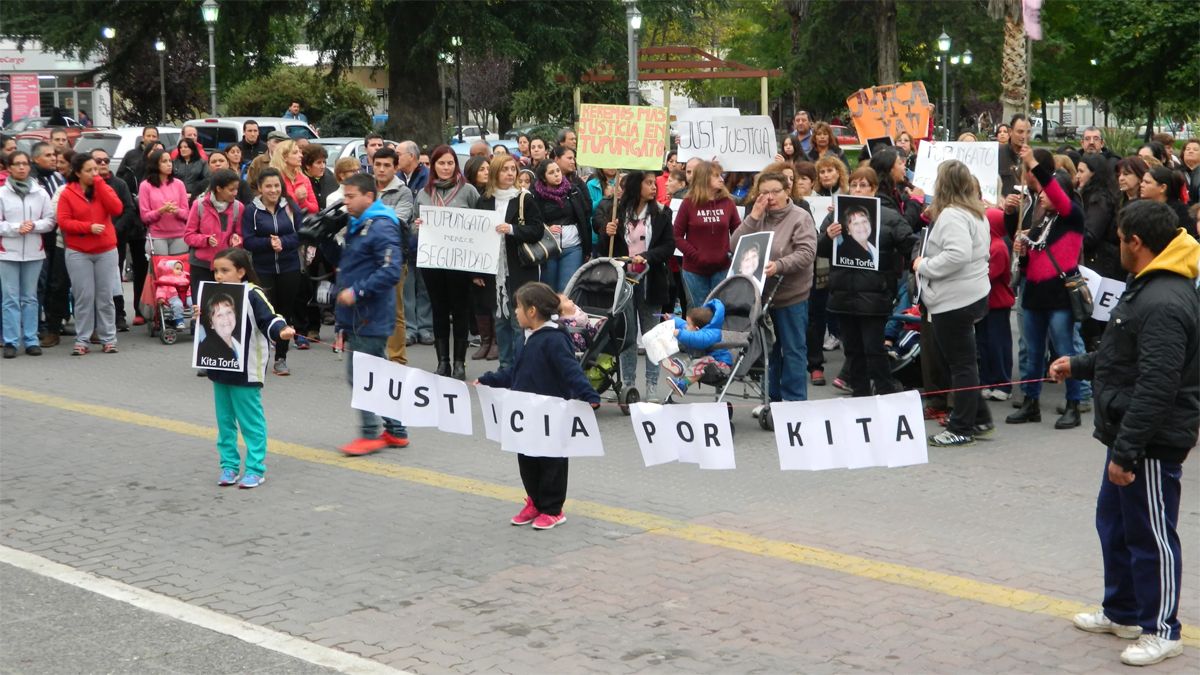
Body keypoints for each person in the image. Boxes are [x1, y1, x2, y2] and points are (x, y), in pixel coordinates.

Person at [1051, 200, 1199, 667]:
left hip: (1149, 441)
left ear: (1136, 242)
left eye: (1120, 238)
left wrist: (1128, 453)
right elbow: (1121, 355)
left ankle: (1163, 628)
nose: (1116, 245)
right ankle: (1123, 611)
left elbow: (1159, 384)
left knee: (1151, 535)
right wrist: (1077, 364)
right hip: (1127, 435)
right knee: (1114, 524)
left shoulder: (1165, 299)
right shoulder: (1146, 286)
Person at [476, 282, 600, 530]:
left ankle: (553, 508)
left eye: (518, 308)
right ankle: (535, 501)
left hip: (551, 413)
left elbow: (571, 371)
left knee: (552, 462)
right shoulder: (528, 337)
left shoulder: (555, 340)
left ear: (532, 311)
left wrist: (589, 394)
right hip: (527, 412)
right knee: (527, 459)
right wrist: (490, 380)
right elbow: (515, 372)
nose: (515, 313)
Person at [912, 159, 993, 447]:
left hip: (954, 299)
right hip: (971, 294)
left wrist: (924, 265)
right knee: (964, 362)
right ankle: (979, 418)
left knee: (960, 364)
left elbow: (956, 255)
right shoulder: (975, 212)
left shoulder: (952, 215)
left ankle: (962, 426)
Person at [202, 248, 294, 489]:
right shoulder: (214, 293)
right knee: (224, 421)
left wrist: (281, 330)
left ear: (241, 271)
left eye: (225, 270)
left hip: (246, 369)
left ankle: (255, 468)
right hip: (220, 366)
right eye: (216, 271)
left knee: (250, 420)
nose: (219, 275)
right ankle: (229, 466)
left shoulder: (253, 293)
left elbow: (269, 318)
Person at [1006, 148, 1085, 430]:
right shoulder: (1044, 222)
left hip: (1059, 297)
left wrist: (1032, 163)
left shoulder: (1072, 216)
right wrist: (1023, 251)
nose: (1040, 195)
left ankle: (1074, 404)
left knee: (1065, 352)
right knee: (1033, 351)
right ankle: (1031, 402)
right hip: (1035, 297)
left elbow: (1051, 186)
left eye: (1046, 192)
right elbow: (1032, 261)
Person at [818, 166, 911, 397]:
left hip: (874, 296)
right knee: (853, 352)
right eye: (854, 184)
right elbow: (819, 248)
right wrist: (828, 237)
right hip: (843, 295)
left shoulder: (888, 216)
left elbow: (909, 243)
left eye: (863, 185)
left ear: (874, 189)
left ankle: (886, 397)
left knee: (874, 350)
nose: (858, 189)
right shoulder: (835, 215)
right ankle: (860, 400)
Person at [335, 174, 409, 456]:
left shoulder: (381, 226)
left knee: (362, 377)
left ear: (369, 195)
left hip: (370, 315)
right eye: (345, 195)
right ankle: (396, 430)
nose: (346, 201)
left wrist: (357, 292)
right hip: (360, 315)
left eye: (351, 196)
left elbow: (390, 271)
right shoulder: (359, 224)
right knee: (377, 375)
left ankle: (369, 434)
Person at [733, 171, 817, 406]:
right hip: (761, 297)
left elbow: (807, 253)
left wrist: (779, 265)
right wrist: (753, 217)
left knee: (793, 349)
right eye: (764, 192)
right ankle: (772, 397)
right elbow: (734, 246)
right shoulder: (758, 215)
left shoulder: (800, 217)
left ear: (786, 191)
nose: (769, 197)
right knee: (769, 351)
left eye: (774, 192)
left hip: (791, 295)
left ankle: (794, 400)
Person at [594, 171, 677, 401]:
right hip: (624, 281)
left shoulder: (661, 212)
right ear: (635, 185)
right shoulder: (618, 211)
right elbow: (605, 249)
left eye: (654, 183)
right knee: (628, 335)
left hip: (651, 281)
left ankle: (652, 386)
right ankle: (628, 386)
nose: (654, 187)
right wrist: (606, 232)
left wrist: (648, 256)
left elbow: (669, 246)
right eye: (648, 183)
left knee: (652, 335)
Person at [415, 145, 478, 379]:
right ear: (433, 166)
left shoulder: (468, 191)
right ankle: (443, 362)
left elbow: (480, 224)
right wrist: (419, 226)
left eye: (450, 163)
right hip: (433, 262)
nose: (445, 167)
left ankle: (460, 363)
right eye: (441, 163)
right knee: (439, 309)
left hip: (460, 262)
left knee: (460, 309)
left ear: (456, 165)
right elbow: (413, 226)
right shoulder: (423, 193)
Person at [478, 154, 545, 369]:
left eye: (512, 169)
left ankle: (519, 366)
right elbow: (474, 234)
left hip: (520, 268)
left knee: (519, 321)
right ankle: (505, 366)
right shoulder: (485, 200)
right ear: (495, 173)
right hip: (494, 267)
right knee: (500, 319)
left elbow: (537, 230)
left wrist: (512, 229)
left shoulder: (524, 198)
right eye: (504, 169)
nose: (509, 173)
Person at [57, 152, 124, 355]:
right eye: (89, 170)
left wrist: (100, 184)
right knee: (83, 296)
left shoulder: (104, 188)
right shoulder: (67, 193)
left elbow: (117, 208)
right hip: (79, 251)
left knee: (105, 296)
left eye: (96, 169)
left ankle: (108, 339)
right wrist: (88, 227)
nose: (94, 173)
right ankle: (82, 339)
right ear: (77, 173)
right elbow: (64, 222)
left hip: (105, 250)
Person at [242, 168, 303, 376]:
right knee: (265, 313)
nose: (273, 190)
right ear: (260, 188)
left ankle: (281, 358)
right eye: (268, 186)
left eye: (277, 185)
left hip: (290, 267)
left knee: (284, 313)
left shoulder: (290, 207)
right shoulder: (251, 210)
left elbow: (302, 234)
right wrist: (269, 243)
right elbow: (248, 240)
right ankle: (261, 356)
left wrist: (283, 243)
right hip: (263, 269)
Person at [0, 151, 55, 358]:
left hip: (34, 252)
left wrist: (34, 225)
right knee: (10, 299)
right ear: (10, 168)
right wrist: (16, 228)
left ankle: (31, 339)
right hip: (8, 254)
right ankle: (11, 341)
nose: (22, 167)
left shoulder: (40, 193)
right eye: (17, 164)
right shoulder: (2, 194)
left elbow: (50, 220)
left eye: (25, 164)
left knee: (30, 298)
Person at [673, 161, 741, 306]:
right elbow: (676, 236)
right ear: (704, 178)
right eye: (716, 176)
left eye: (721, 175)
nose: (722, 179)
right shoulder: (688, 203)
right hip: (694, 270)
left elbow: (738, 232)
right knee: (701, 313)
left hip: (722, 268)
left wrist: (729, 253)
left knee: (720, 312)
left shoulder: (728, 202)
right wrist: (695, 255)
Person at [183, 169, 245, 312]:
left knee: (226, 307)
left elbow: (240, 234)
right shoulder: (199, 205)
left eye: (236, 189)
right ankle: (199, 331)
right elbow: (188, 235)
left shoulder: (238, 207)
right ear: (218, 189)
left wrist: (237, 239)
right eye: (231, 189)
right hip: (202, 265)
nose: (235, 193)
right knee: (202, 307)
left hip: (227, 265)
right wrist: (205, 240)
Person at [533, 155, 590, 292]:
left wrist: (587, 248)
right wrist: (546, 228)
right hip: (548, 247)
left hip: (572, 246)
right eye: (551, 173)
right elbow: (533, 221)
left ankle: (565, 314)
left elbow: (584, 216)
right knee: (548, 290)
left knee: (566, 289)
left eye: (557, 171)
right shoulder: (535, 195)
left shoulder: (573, 190)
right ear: (543, 177)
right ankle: (552, 314)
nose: (557, 175)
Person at [977, 203, 1015, 401]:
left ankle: (1002, 383)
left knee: (998, 345)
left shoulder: (998, 247)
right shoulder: (986, 244)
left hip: (998, 305)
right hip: (985, 304)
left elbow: (988, 274)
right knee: (984, 344)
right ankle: (987, 381)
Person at [660, 301, 733, 397]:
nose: (686, 327)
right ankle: (681, 367)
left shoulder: (712, 334)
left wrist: (679, 333)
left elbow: (697, 338)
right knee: (694, 359)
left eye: (688, 325)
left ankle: (683, 384)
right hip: (705, 361)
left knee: (703, 361)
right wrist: (673, 319)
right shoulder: (700, 328)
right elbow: (685, 325)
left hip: (721, 366)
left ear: (697, 329)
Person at [139, 149, 191, 255]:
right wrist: (161, 211)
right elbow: (145, 216)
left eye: (170, 161)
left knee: (179, 269)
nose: (169, 164)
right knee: (161, 270)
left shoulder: (179, 184)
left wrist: (176, 210)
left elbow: (187, 214)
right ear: (155, 164)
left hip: (179, 235)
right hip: (157, 236)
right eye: (164, 161)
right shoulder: (145, 185)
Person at [271, 140, 318, 215]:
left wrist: (303, 202)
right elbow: (275, 209)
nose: (301, 155)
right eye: (295, 152)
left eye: (300, 152)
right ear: (284, 157)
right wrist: (297, 197)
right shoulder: (274, 179)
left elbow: (315, 208)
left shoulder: (304, 178)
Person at [1140, 165, 1191, 232]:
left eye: (1147, 182)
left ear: (1163, 188)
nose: (1141, 185)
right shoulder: (1141, 208)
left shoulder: (1181, 212)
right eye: (1142, 181)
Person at [154, 259, 191, 330]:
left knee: (194, 303)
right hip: (173, 297)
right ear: (169, 269)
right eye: (177, 269)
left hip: (186, 295)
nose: (180, 271)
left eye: (181, 269)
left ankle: (195, 319)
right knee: (177, 305)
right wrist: (161, 297)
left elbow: (190, 288)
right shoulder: (165, 279)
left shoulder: (185, 277)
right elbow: (161, 290)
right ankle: (179, 321)